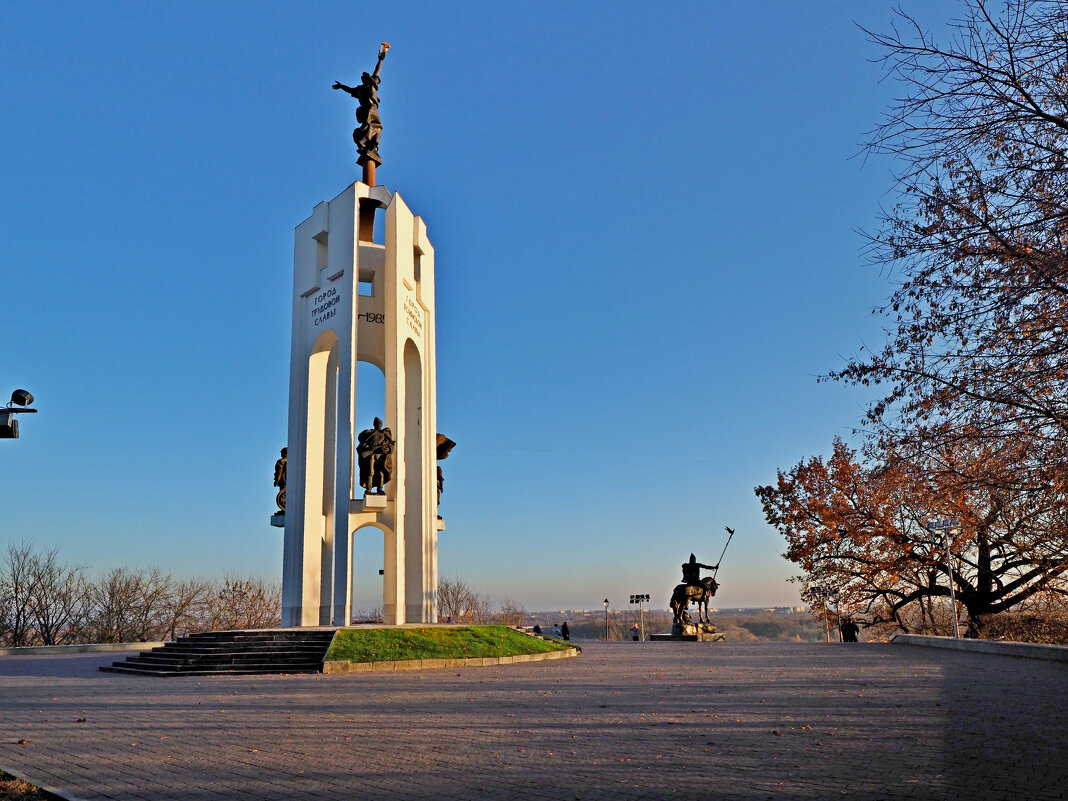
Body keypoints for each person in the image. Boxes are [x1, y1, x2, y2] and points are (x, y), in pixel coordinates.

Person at [357, 417, 395, 494]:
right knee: (370, 472)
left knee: (381, 472)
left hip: (381, 455)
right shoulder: (369, 433)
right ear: (374, 424)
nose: (378, 425)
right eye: (377, 424)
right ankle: (368, 489)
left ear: (382, 425)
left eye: (380, 424)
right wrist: (372, 449)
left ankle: (379, 489)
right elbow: (363, 446)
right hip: (372, 454)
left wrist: (388, 449)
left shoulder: (384, 434)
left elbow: (390, 445)